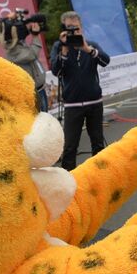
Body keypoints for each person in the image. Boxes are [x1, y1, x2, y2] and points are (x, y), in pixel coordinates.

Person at [48, 11, 111, 170]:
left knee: (97, 141)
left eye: (76, 29)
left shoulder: (91, 45)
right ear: (63, 29)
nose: (73, 32)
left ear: (81, 28)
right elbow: (56, 72)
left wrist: (87, 48)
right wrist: (64, 50)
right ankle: (69, 179)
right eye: (69, 28)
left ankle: (100, 175)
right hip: (72, 105)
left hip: (94, 102)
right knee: (70, 146)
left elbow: (105, 61)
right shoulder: (59, 46)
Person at [0, 8, 50, 111]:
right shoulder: (13, 50)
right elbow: (32, 54)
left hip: (40, 90)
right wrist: (35, 36)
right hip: (32, 94)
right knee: (40, 122)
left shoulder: (19, 44)